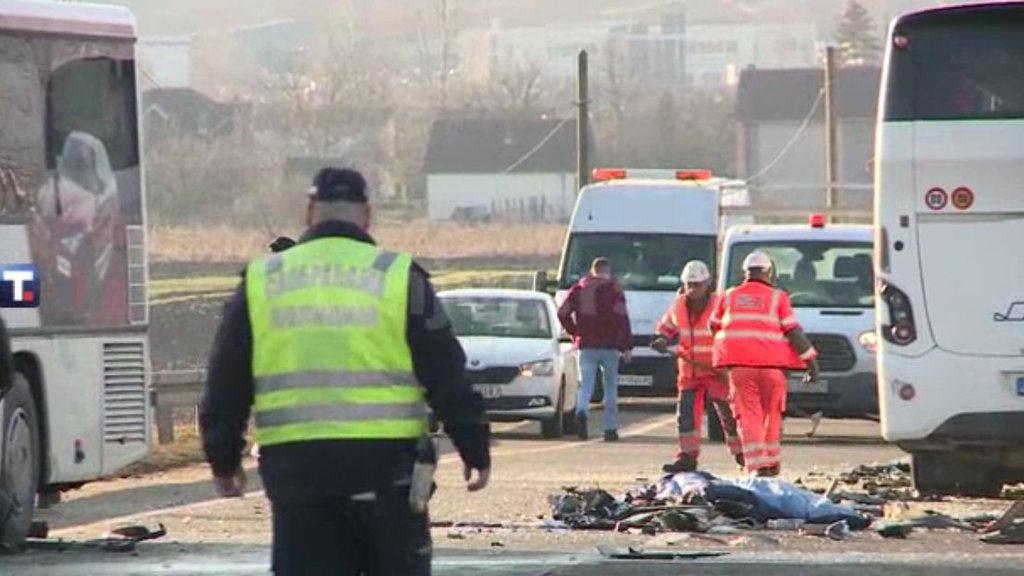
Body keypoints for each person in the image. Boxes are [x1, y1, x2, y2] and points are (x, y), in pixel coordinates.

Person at [199, 167, 491, 575]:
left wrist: (223, 458)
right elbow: (446, 370)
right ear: (367, 214)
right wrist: (473, 444)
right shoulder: (398, 277)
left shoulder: (262, 280)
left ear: (309, 211)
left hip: (299, 473)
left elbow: (226, 378)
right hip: (387, 470)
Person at [709, 250, 820, 477]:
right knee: (772, 415)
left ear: (745, 273)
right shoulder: (779, 298)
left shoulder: (728, 296)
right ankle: (771, 464)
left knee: (749, 416)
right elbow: (793, 332)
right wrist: (811, 362)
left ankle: (756, 466)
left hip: (740, 368)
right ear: (768, 273)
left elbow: (714, 326)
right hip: (772, 370)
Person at [651, 260, 743, 474]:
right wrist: (662, 339)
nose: (692, 290)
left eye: (697, 285)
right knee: (686, 416)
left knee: (728, 415)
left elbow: (733, 333)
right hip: (689, 372)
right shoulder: (678, 306)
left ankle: (742, 454)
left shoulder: (720, 305)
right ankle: (687, 457)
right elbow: (665, 328)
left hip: (715, 370)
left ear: (707, 284)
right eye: (689, 285)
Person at [557, 257, 633, 441]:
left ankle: (582, 410)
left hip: (586, 344)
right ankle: (610, 429)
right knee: (610, 386)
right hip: (609, 345)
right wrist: (626, 346)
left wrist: (574, 331)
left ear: (592, 270)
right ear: (607, 271)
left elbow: (562, 312)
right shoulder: (614, 289)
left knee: (586, 384)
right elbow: (621, 319)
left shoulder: (579, 289)